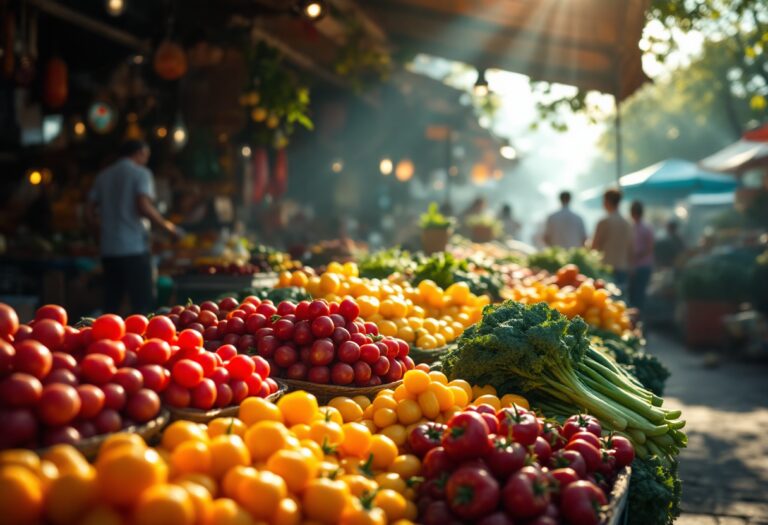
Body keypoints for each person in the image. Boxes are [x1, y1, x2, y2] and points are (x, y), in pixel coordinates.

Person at [87, 140, 180, 314]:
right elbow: (143, 206)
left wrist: (100, 235)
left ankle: (105, 338)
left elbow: (89, 212)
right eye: (145, 156)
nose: (145, 160)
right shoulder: (141, 174)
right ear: (138, 153)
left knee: (111, 304)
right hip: (134, 249)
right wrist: (169, 228)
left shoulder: (103, 176)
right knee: (142, 305)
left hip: (109, 249)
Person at [591, 188, 633, 289]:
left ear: (607, 201)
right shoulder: (627, 223)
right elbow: (631, 248)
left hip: (606, 269)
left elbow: (594, 246)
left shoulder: (604, 222)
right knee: (621, 301)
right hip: (623, 268)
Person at [628, 200, 654, 311]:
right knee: (640, 295)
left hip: (636, 266)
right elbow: (650, 248)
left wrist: (635, 257)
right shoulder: (647, 227)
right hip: (644, 266)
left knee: (633, 295)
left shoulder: (631, 227)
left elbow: (649, 248)